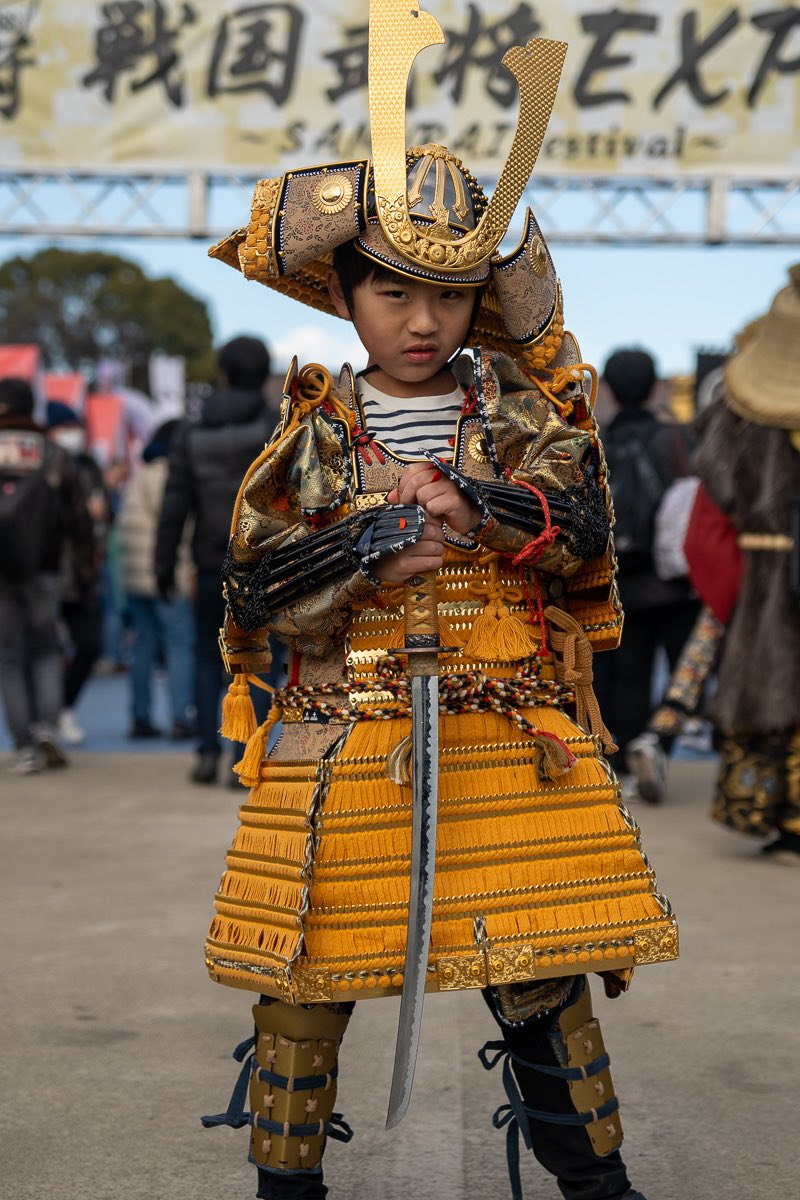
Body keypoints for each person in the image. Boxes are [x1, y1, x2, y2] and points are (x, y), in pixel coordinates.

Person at [199, 9, 677, 1200]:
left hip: (508, 742)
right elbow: (251, 585)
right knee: (302, 987)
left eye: (451, 297)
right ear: (345, 293)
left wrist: (478, 513)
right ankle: (284, 1190)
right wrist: (370, 545)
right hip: (343, 736)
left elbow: (588, 543)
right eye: (393, 293)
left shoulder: (522, 418)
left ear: (479, 303)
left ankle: (594, 1187)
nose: (422, 324)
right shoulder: (314, 432)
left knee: (544, 980)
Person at [692, 265, 800, 862]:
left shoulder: (735, 418)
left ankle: (770, 814)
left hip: (764, 576)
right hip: (776, 565)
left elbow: (714, 490)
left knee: (767, 690)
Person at [155, 335, 278, 784]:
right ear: (263, 375)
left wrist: (162, 565)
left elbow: (174, 506)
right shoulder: (276, 425)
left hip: (210, 564)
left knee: (211, 659)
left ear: (223, 374)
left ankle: (207, 752)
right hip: (269, 565)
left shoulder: (190, 431)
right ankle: (246, 756)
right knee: (263, 658)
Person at [591, 349, 700, 802]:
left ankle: (624, 763)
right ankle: (657, 741)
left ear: (611, 389)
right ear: (656, 386)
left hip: (625, 582)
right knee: (684, 674)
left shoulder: (596, 442)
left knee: (628, 674)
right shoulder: (676, 439)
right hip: (675, 580)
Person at [0, 378, 93, 773]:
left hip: (1, 571)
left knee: (9, 657)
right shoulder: (53, 454)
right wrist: (86, 570)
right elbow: (79, 519)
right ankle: (48, 730)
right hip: (46, 567)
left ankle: (23, 747)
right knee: (45, 649)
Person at [117, 419, 196, 739]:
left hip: (135, 577)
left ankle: (140, 716)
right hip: (166, 575)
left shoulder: (141, 476)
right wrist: (188, 568)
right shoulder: (169, 475)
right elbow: (181, 529)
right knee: (179, 644)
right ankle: (180, 717)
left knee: (144, 647)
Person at [45, 400, 110, 745]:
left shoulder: (88, 466)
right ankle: (45, 721)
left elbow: (104, 513)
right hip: (49, 571)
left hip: (84, 574)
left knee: (90, 644)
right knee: (46, 651)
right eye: (67, 426)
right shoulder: (44, 466)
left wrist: (100, 515)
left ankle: (60, 708)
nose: (74, 433)